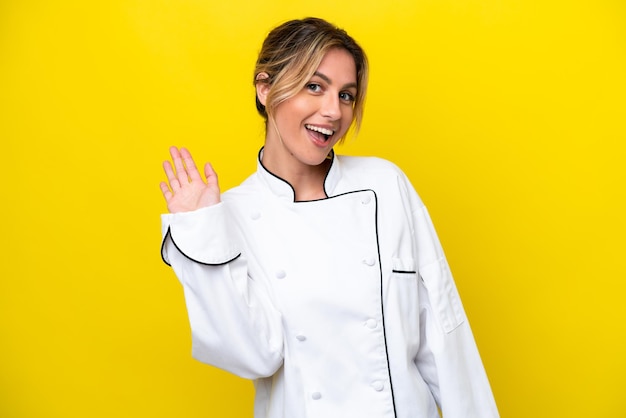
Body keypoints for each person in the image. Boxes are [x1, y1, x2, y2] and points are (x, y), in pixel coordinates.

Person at [159, 17, 499, 418]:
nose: (333, 111)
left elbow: (445, 335)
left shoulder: (384, 185)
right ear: (265, 88)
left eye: (347, 95)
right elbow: (255, 355)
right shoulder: (229, 215)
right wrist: (203, 234)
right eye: (314, 86)